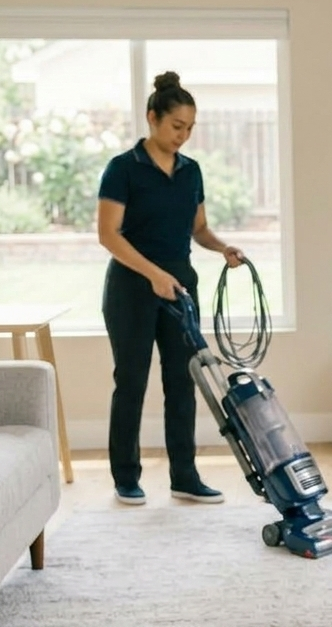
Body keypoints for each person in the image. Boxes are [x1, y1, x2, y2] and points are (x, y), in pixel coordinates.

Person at [96, 71, 246, 506]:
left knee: (183, 381)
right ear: (152, 118)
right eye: (177, 126)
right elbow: (109, 235)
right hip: (131, 285)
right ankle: (126, 477)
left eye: (190, 128)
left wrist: (221, 248)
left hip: (180, 285)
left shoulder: (190, 171)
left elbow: (198, 228)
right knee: (132, 382)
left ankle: (185, 475)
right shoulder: (123, 169)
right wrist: (153, 275)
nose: (184, 135)